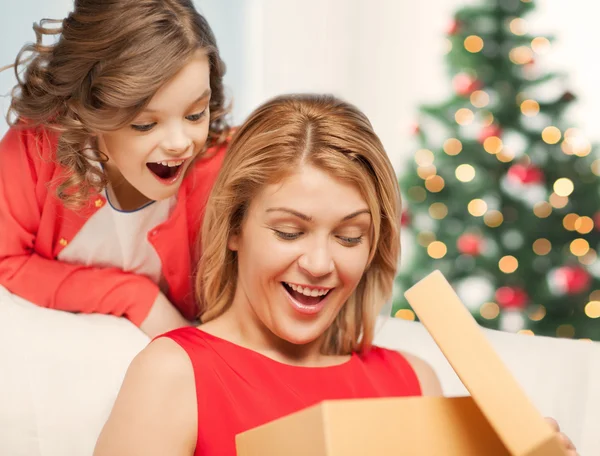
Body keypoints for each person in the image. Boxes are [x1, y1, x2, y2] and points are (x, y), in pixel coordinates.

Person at [93, 94, 577, 456]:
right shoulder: (175, 373)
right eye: (289, 231)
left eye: (349, 238)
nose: (320, 265)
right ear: (235, 228)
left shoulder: (412, 380)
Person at [0, 0, 231, 337]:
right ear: (87, 112)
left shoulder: (226, 172)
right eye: (145, 124)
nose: (180, 143)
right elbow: (5, 260)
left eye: (195, 114)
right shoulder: (38, 144)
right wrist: (132, 296)